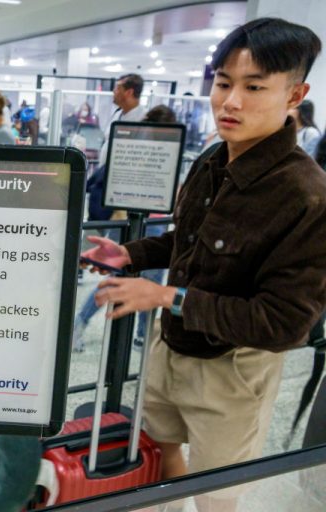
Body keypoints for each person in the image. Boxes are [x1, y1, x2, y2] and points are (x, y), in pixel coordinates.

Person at [82, 18, 325, 512]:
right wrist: (132, 254)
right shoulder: (213, 159)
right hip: (170, 347)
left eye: (254, 87)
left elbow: (283, 322)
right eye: (223, 83)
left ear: (294, 94)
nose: (230, 101)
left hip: (232, 371)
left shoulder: (307, 196)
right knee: (158, 457)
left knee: (216, 494)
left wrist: (167, 297)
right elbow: (187, 243)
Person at [73, 105, 176, 353]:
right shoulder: (138, 152)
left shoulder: (156, 153)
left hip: (153, 223)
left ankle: (141, 334)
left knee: (145, 283)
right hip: (134, 221)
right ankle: (82, 325)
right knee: (117, 279)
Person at [98, 73, 147, 167]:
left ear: (129, 92)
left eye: (117, 88)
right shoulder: (117, 114)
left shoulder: (144, 119)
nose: (114, 91)